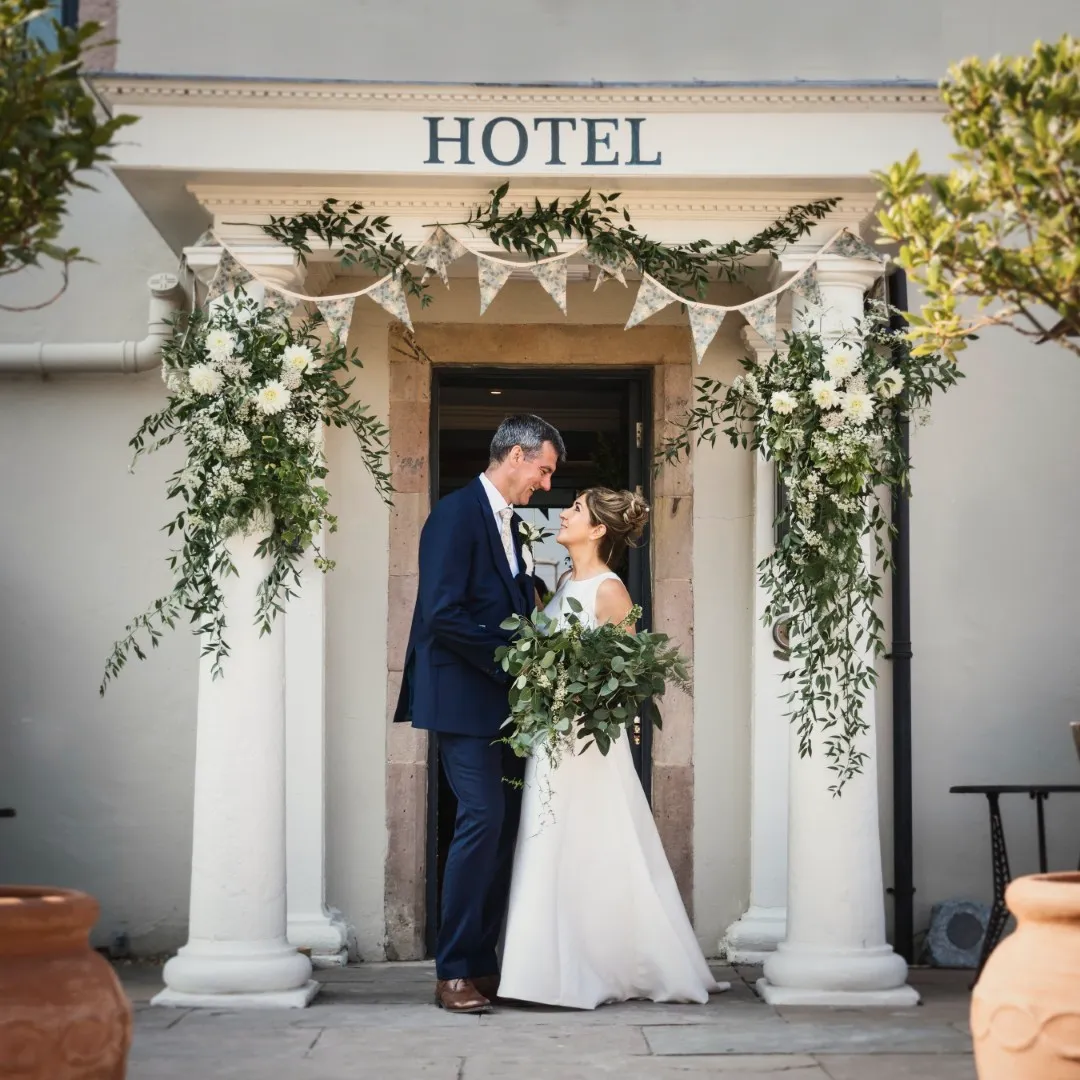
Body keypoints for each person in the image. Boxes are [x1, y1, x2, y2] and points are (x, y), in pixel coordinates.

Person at [498, 487, 726, 1009]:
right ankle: (543, 971)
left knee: (595, 840)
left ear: (598, 529)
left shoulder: (610, 589)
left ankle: (606, 964)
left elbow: (630, 674)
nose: (564, 513)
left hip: (587, 741)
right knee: (549, 835)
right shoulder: (560, 583)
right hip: (553, 734)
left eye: (576, 509)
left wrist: (575, 687)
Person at [394, 414, 566, 1015]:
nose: (545, 485)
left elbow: (513, 605)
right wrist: (513, 662)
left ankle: (486, 966)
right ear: (515, 455)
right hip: (463, 699)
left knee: (506, 827)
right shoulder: (454, 514)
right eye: (543, 470)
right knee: (481, 820)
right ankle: (455, 970)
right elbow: (441, 613)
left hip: (505, 706)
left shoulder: (511, 524)